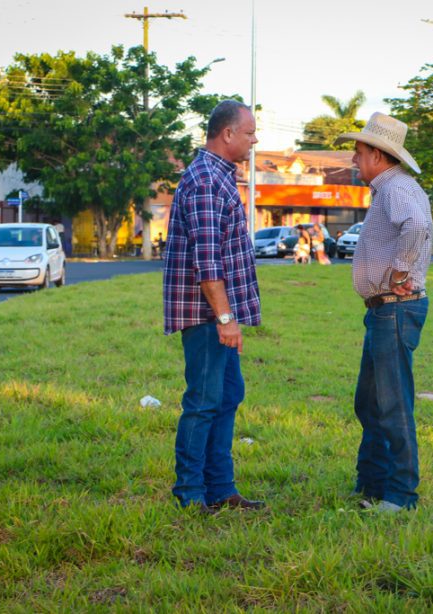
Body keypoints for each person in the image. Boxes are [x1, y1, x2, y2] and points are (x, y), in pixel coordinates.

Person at [163, 100, 265, 514]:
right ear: (227, 134)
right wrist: (225, 318)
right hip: (207, 316)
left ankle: (221, 489)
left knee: (227, 396)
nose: (254, 140)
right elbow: (207, 263)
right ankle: (190, 495)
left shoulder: (218, 177)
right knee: (204, 402)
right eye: (249, 132)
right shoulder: (206, 181)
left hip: (218, 315)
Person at [335, 112, 433, 513]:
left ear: (378, 154)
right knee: (370, 402)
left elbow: (418, 227)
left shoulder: (397, 188)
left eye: (359, 152)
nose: (354, 160)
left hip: (395, 308)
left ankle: (400, 495)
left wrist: (399, 271)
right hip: (383, 311)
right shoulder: (387, 188)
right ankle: (372, 484)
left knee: (391, 403)